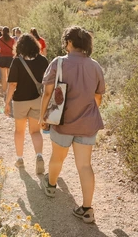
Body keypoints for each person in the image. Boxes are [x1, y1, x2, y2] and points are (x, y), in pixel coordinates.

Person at [39, 26, 105, 225]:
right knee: (85, 165)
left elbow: (48, 92)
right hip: (87, 123)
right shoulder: (95, 66)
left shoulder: (58, 63)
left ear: (68, 43)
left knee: (57, 157)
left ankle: (50, 185)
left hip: (62, 122)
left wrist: (43, 116)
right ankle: (87, 210)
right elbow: (98, 96)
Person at [4, 33, 49, 173]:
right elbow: (47, 81)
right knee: (35, 131)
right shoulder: (42, 60)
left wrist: (6, 103)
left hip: (20, 101)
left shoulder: (17, 61)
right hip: (37, 100)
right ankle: (39, 156)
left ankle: (19, 159)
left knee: (19, 131)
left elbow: (12, 85)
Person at [0, 26, 16, 94]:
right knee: (10, 76)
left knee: (4, 76)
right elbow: (15, 51)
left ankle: (4, 91)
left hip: (2, 58)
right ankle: (10, 91)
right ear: (8, 32)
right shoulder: (12, 40)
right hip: (10, 58)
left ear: (2, 32)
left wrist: (2, 51)